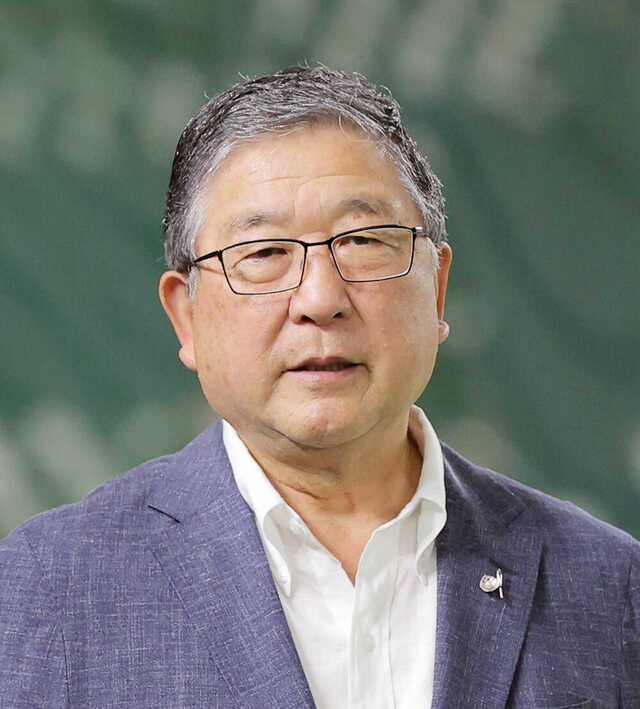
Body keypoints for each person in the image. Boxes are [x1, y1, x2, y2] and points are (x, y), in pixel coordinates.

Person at [0, 65, 637, 708]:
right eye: (264, 253)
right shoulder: (47, 591)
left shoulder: (609, 588)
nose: (319, 299)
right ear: (186, 317)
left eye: (362, 241)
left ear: (438, 290)